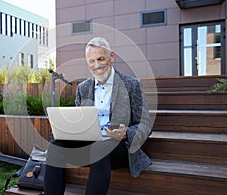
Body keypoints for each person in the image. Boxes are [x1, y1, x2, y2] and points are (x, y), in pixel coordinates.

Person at [44, 37, 152, 195]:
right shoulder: (83, 88)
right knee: (55, 147)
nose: (97, 65)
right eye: (91, 61)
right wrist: (65, 130)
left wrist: (126, 133)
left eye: (101, 59)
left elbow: (145, 124)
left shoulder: (132, 85)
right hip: (89, 143)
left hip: (118, 145)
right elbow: (79, 120)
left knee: (99, 148)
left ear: (111, 57)